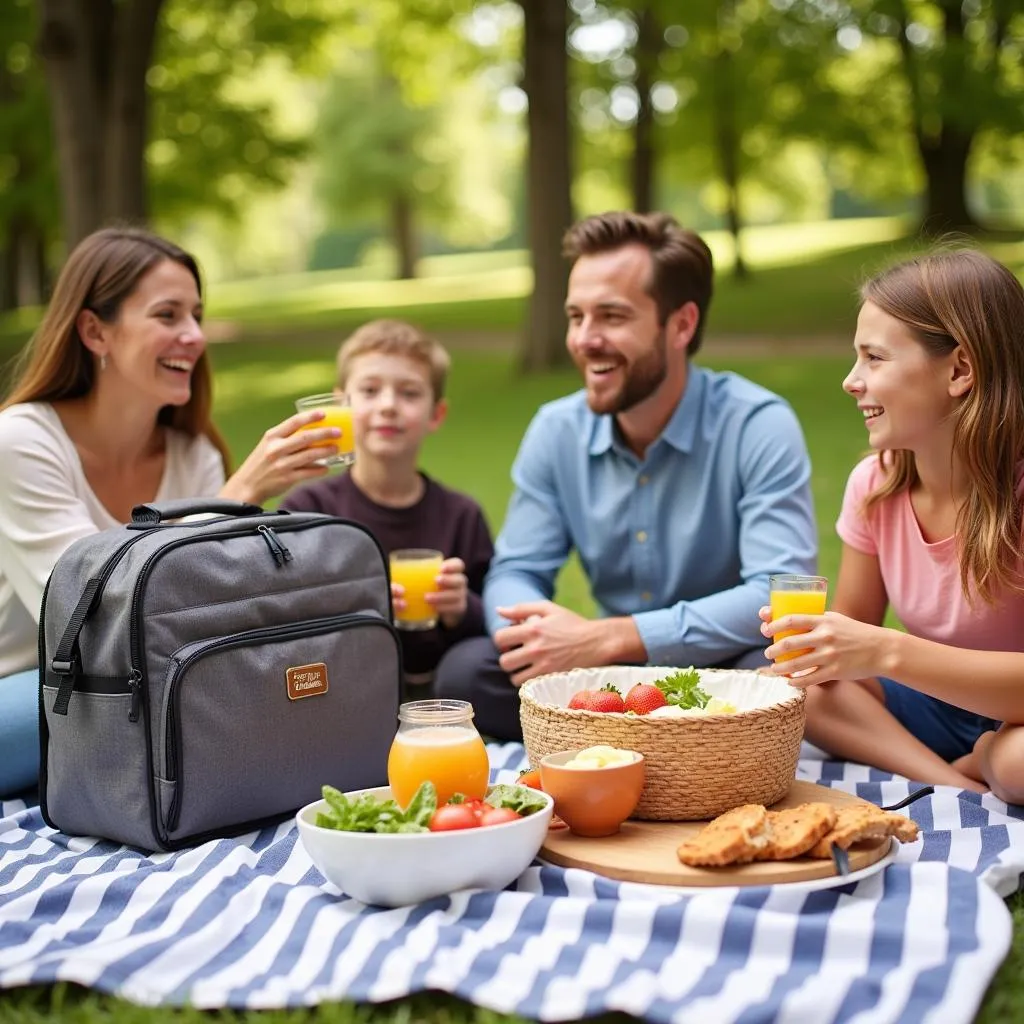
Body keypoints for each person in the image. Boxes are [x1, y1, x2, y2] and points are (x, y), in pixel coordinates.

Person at [434, 210, 818, 740]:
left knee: (782, 673)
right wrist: (536, 638)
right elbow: (515, 571)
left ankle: (627, 740)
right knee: (466, 672)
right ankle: (643, 739)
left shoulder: (757, 424)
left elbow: (776, 595)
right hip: (606, 685)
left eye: (612, 316)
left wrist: (615, 637)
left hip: (720, 670)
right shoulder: (556, 430)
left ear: (681, 324)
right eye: (576, 317)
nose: (585, 340)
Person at [0, 226, 344, 797]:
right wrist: (237, 497)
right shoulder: (21, 443)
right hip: (30, 685)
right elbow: (91, 619)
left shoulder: (193, 455)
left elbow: (215, 609)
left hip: (150, 686)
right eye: (167, 315)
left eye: (196, 315)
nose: (194, 336)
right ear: (94, 331)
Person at [761, 248, 1024, 803]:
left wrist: (884, 651)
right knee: (796, 694)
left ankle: (985, 763)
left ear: (960, 370)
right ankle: (952, 782)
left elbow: (877, 651)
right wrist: (816, 647)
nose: (851, 382)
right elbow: (838, 670)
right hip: (930, 707)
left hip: (1015, 718)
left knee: (1019, 762)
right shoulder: (874, 486)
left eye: (874, 359)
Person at [280, 319, 494, 695]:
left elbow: (489, 621)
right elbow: (286, 616)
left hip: (441, 696)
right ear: (342, 403)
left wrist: (461, 608)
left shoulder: (461, 515)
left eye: (409, 393)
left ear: (436, 414)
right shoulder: (309, 510)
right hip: (344, 693)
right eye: (370, 390)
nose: (389, 406)